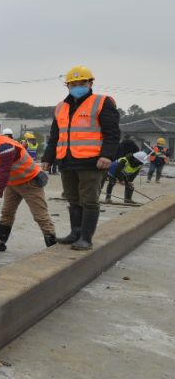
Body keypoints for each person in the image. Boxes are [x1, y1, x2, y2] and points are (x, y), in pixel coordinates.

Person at [41, 65, 120, 252]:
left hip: (91, 162)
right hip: (67, 161)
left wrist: (107, 155)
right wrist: (47, 159)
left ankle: (86, 238)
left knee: (89, 200)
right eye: (73, 83)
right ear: (67, 86)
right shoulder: (60, 107)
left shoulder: (102, 102)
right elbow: (55, 136)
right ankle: (75, 233)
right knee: (73, 198)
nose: (77, 86)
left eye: (81, 82)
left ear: (90, 83)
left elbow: (112, 133)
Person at [0, 118, 56, 251]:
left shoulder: (5, 146)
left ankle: (53, 246)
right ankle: (1, 242)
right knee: (7, 213)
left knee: (40, 216)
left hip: (30, 182)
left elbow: (3, 172)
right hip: (12, 184)